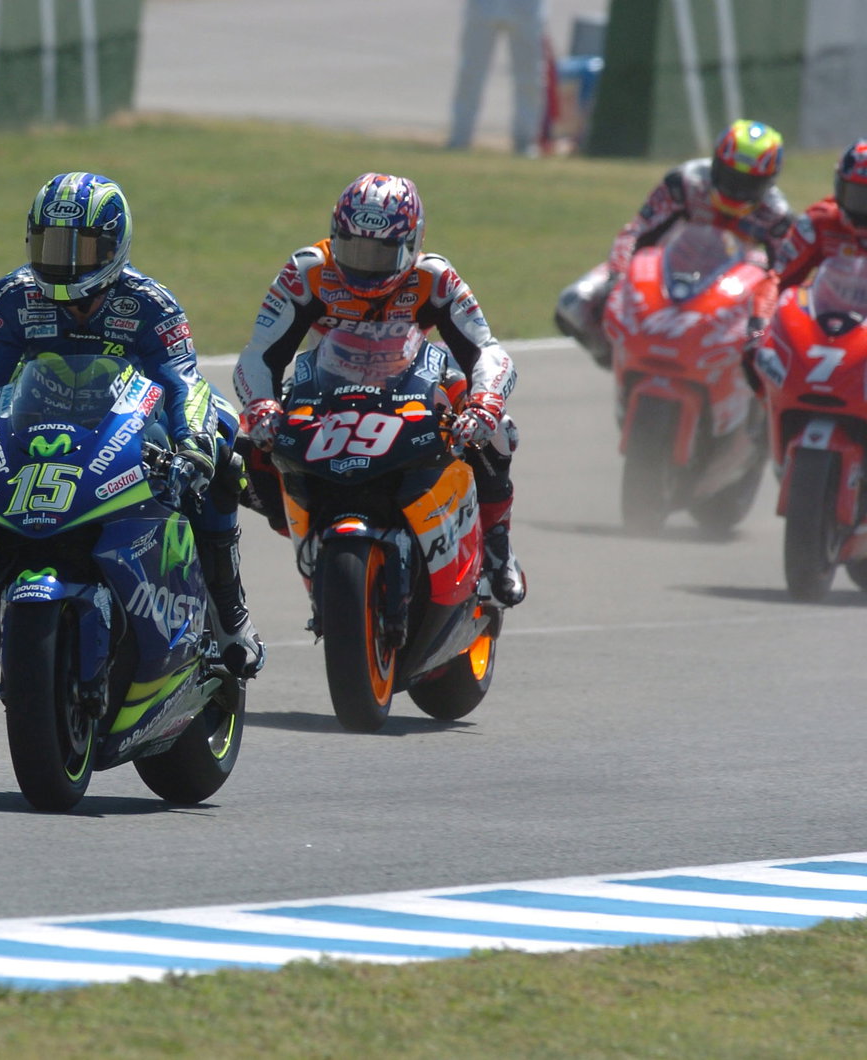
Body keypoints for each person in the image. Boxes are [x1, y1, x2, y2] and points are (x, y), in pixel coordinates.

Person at [0, 171, 265, 678]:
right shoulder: (10, 298)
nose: (63, 261)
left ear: (113, 246)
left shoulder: (153, 304)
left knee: (221, 440)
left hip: (130, 428)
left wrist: (192, 444)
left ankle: (227, 609)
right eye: (50, 243)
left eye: (79, 247)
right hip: (29, 429)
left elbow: (181, 381)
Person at [233, 172, 526, 609]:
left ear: (412, 242)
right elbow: (258, 354)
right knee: (242, 451)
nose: (364, 265)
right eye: (353, 249)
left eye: (381, 252)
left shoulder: (435, 276)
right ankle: (303, 526)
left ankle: (498, 544)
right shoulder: (306, 272)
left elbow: (487, 350)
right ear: (336, 236)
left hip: (417, 382)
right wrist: (261, 405)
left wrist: (484, 402)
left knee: (497, 429)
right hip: (324, 389)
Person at [556, 118, 792, 369]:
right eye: (730, 177)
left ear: (769, 181)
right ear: (716, 164)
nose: (737, 191)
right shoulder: (685, 182)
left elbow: (784, 277)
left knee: (778, 334)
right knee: (575, 304)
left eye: (749, 184)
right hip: (667, 271)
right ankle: (619, 362)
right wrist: (616, 277)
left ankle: (743, 387)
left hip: (733, 291)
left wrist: (760, 324)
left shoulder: (776, 215)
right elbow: (635, 232)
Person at [447, 0, 549, 157]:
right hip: (483, 6)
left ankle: (525, 140)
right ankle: (459, 137)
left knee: (529, 77)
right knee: (470, 73)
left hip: (526, 7)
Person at [773, 138, 867, 293]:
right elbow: (777, 279)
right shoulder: (818, 222)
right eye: (857, 197)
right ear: (839, 188)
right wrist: (761, 316)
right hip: (828, 314)